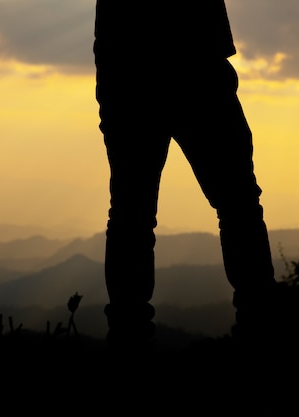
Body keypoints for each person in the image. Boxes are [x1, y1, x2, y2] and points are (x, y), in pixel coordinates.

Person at [93, 0, 278, 350]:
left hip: (134, 75)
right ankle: (260, 331)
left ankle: (128, 338)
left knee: (133, 218)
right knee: (238, 206)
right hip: (190, 68)